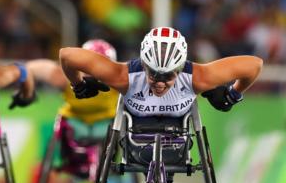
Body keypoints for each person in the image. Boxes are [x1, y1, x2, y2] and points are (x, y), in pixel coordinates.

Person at [59, 26, 262, 117]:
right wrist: (78, 84)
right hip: (135, 136)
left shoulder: (199, 77)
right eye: (154, 74)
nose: (160, 82)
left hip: (179, 140)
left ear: (180, 68)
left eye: (169, 75)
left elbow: (255, 65)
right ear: (145, 65)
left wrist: (233, 94)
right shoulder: (123, 76)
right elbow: (67, 55)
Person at [27, 39, 119, 178]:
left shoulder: (118, 78)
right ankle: (72, 161)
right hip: (74, 121)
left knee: (120, 124)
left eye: (102, 64)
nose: (95, 69)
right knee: (61, 127)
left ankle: (105, 161)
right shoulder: (65, 75)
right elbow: (32, 68)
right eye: (90, 64)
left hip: (106, 124)